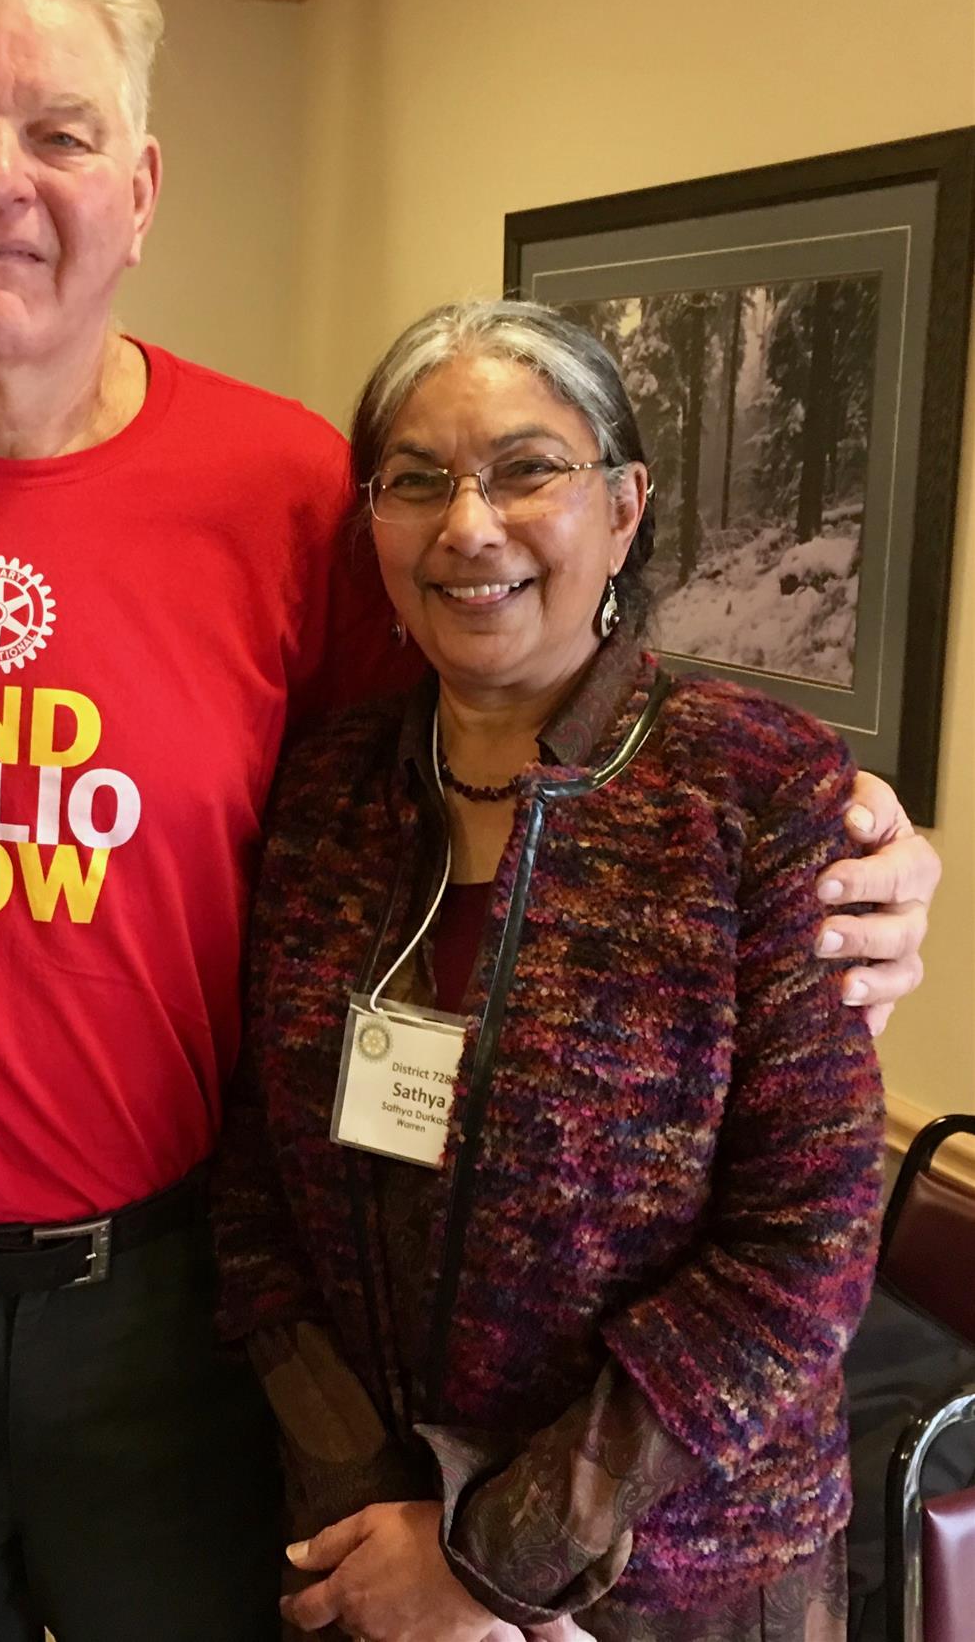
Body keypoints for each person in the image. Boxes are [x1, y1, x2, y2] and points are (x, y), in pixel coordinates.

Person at [0, 0, 935, 1641]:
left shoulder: (287, 484)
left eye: (59, 131)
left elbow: (489, 736)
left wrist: (851, 841)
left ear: (141, 187)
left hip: (174, 1305)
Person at [212, 300, 885, 1642]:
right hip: (363, 1556)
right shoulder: (325, 793)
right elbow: (253, 1186)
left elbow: (803, 1248)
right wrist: (371, 1504)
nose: (469, 527)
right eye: (417, 481)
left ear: (624, 510)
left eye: (527, 469)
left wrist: (494, 1555)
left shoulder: (757, 792)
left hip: (676, 1580)